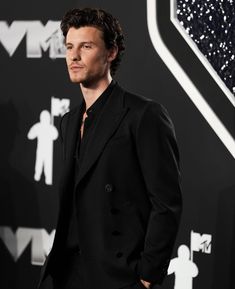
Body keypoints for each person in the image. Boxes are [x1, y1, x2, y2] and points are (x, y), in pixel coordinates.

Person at [38, 7, 182, 289]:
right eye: (69, 47)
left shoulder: (144, 115)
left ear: (111, 52)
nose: (74, 56)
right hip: (67, 273)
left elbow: (166, 203)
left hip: (117, 277)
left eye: (86, 46)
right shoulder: (69, 121)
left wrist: (147, 277)